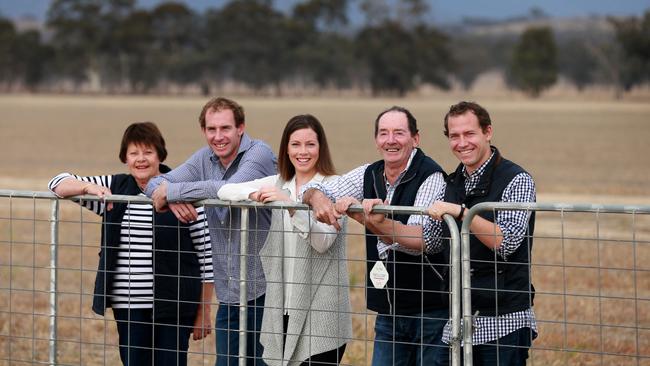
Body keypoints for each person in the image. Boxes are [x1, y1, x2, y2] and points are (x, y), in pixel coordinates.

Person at [47, 122, 214, 366]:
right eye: (134, 153)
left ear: (160, 155)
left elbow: (206, 256)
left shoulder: (181, 189)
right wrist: (88, 187)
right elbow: (56, 183)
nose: (141, 159)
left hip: (175, 305)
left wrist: (203, 313)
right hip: (128, 306)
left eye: (148, 152)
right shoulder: (114, 188)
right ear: (125, 157)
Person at [385, 101, 537, 365]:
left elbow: (507, 242)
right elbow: (430, 241)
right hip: (457, 318)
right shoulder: (452, 182)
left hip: (504, 319)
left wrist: (462, 213)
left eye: (469, 134)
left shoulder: (517, 179)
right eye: (454, 136)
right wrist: (376, 221)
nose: (462, 142)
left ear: (488, 132)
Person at [301, 106, 449, 366]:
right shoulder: (369, 173)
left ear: (416, 139)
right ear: (376, 140)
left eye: (399, 133)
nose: (390, 140)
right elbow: (314, 187)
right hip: (389, 311)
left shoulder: (431, 176)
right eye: (383, 133)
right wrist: (318, 198)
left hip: (430, 312)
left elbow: (422, 242)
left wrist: (365, 219)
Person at [145, 97, 277, 366]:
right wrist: (173, 198)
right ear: (203, 131)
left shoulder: (259, 153)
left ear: (241, 127)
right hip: (228, 293)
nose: (218, 137)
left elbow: (230, 190)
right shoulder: (203, 158)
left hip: (266, 293)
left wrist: (173, 192)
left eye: (225, 128)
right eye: (211, 129)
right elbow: (154, 183)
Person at [218, 114, 352, 366]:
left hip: (321, 311)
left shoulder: (334, 186)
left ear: (320, 148)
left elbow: (323, 242)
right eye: (295, 144)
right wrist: (257, 193)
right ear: (286, 149)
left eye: (310, 144)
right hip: (281, 307)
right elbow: (225, 190)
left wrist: (290, 205)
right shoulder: (280, 183)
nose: (303, 152)